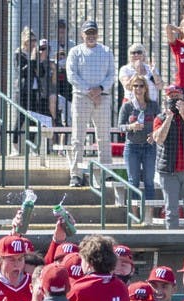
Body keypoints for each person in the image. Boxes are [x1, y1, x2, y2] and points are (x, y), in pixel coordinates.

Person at [65, 20, 116, 187]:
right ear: (82, 34)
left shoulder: (107, 51)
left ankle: (107, 174)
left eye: (93, 32)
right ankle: (76, 175)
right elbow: (71, 75)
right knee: (78, 138)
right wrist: (90, 90)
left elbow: (111, 75)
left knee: (104, 137)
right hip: (81, 97)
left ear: (97, 34)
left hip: (103, 97)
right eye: (88, 33)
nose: (91, 36)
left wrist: (100, 89)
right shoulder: (75, 51)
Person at [153, 83, 184, 229]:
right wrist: (169, 118)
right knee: (171, 211)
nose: (174, 99)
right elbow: (159, 139)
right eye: (171, 97)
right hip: (168, 171)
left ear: (183, 100)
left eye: (177, 96)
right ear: (165, 100)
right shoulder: (160, 118)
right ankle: (172, 244)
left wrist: (183, 114)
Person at [118, 76, 159, 215]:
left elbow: (161, 123)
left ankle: (148, 215)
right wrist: (131, 126)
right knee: (133, 181)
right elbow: (120, 127)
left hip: (149, 146)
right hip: (132, 147)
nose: (138, 89)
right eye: (135, 86)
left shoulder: (153, 105)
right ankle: (134, 215)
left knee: (149, 181)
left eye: (141, 86)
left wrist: (155, 133)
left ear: (146, 88)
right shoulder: (127, 106)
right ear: (131, 88)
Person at [12, 28, 48, 152]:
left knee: (34, 118)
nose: (33, 43)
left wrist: (41, 60)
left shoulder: (36, 54)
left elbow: (42, 73)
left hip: (34, 89)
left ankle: (32, 147)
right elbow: (22, 72)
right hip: (22, 89)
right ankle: (15, 146)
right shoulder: (19, 53)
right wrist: (32, 59)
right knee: (20, 117)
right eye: (31, 40)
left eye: (35, 40)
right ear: (25, 41)